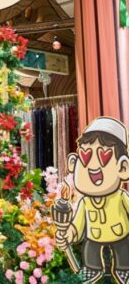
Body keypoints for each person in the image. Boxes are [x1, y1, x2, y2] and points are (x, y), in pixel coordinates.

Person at [57, 117, 129, 283]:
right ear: (74, 164)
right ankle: (92, 269)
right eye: (86, 157)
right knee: (90, 251)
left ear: (123, 168)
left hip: (121, 235)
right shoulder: (85, 202)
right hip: (93, 237)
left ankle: (124, 269)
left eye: (104, 158)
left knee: (124, 250)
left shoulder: (121, 197)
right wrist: (68, 234)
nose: (93, 167)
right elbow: (77, 225)